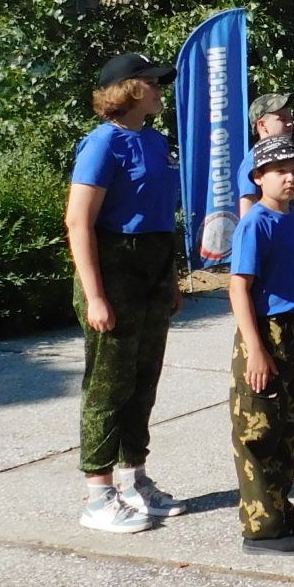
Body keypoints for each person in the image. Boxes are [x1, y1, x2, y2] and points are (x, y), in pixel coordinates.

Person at [66, 52, 185, 533]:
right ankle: (98, 495)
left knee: (143, 380)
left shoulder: (156, 143)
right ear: (128, 89)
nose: (160, 89)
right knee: (108, 386)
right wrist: (95, 296)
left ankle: (134, 479)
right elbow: (78, 222)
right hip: (114, 272)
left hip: (152, 269)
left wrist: (171, 277)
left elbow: (161, 218)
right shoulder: (102, 144)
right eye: (152, 82)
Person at [228, 135, 294, 555]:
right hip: (266, 332)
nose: (291, 177)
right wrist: (256, 349)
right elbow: (239, 289)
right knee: (260, 432)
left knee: (289, 427)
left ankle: (279, 510)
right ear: (259, 177)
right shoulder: (255, 223)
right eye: (280, 170)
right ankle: (260, 528)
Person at [238, 93, 294, 218]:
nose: (290, 124)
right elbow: (247, 217)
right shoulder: (253, 161)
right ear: (262, 125)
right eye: (282, 119)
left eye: (290, 118)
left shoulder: (285, 156)